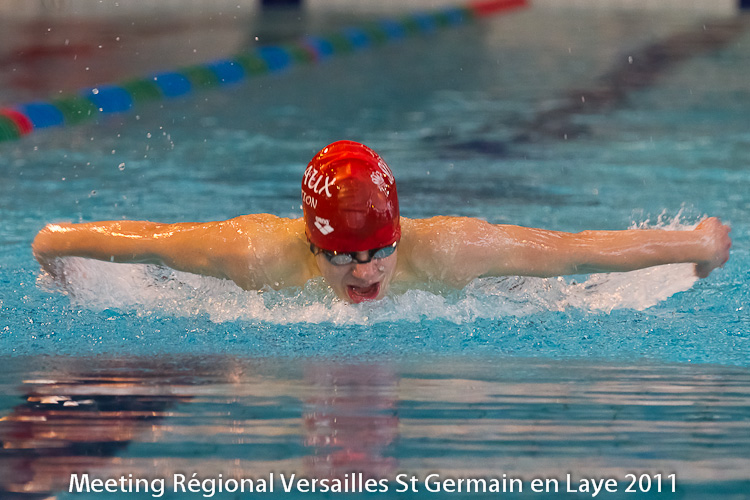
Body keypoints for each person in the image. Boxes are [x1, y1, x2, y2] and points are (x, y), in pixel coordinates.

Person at [32, 140, 732, 304]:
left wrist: (694, 243)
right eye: (343, 257)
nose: (365, 272)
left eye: (379, 252)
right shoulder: (252, 254)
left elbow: (574, 251)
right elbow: (147, 242)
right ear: (312, 245)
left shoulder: (450, 250)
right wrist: (54, 246)